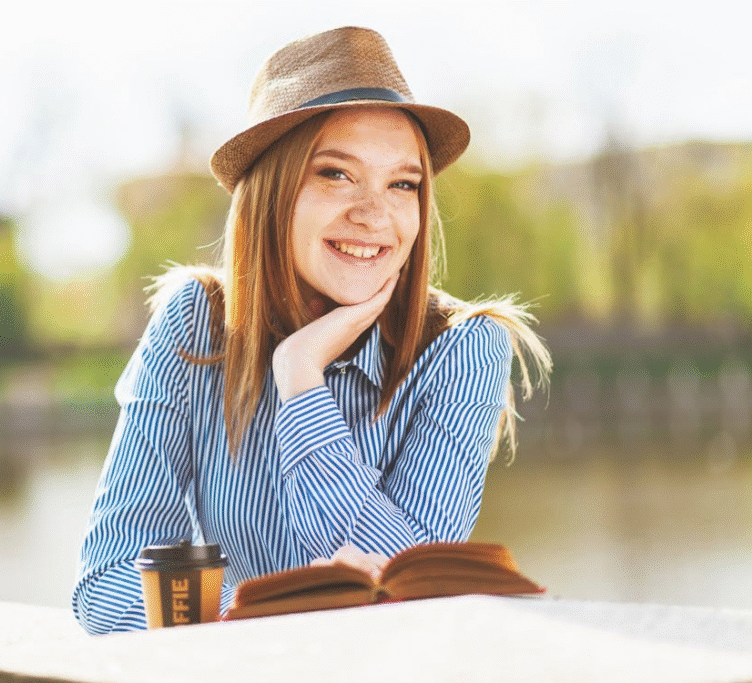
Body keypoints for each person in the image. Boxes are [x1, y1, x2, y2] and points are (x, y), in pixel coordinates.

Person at [72, 26, 551, 635]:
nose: (375, 213)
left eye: (403, 183)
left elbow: (401, 583)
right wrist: (257, 612)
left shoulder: (464, 347)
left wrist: (300, 380)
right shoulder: (195, 322)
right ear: (271, 192)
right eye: (337, 174)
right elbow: (107, 584)